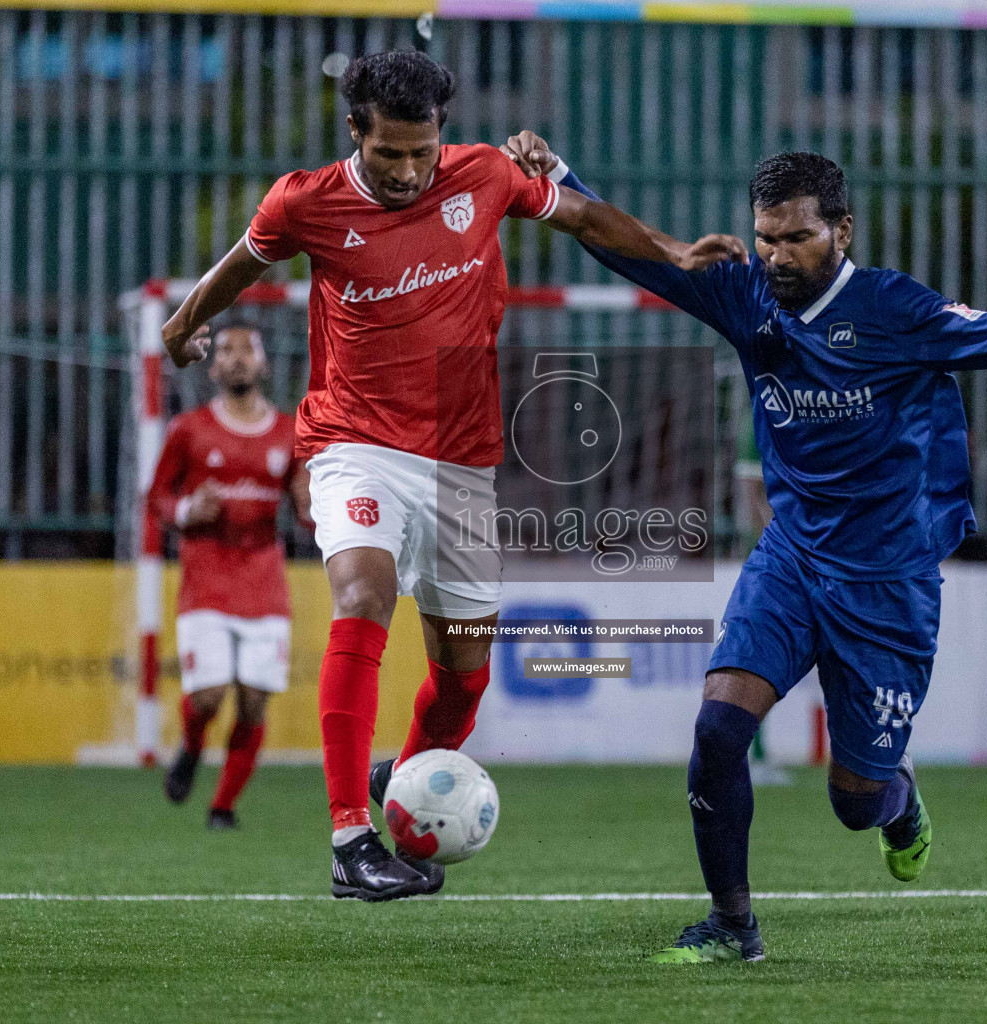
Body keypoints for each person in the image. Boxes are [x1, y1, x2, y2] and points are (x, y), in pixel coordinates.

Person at [502, 133, 987, 962]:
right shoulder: (747, 296)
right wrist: (560, 182)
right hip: (792, 558)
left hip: (888, 581)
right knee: (718, 729)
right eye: (767, 236)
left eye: (797, 237)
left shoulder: (896, 310)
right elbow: (634, 251)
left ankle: (898, 803)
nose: (777, 255)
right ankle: (733, 926)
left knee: (854, 802)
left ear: (842, 232)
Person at [159, 51, 745, 902]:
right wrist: (182, 326)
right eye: (387, 153)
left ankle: (404, 778)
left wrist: (675, 250)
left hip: (463, 463)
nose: (405, 172)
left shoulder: (486, 174)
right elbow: (242, 264)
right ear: (354, 130)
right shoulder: (306, 202)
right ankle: (349, 841)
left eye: (419, 153)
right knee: (362, 594)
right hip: (351, 441)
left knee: (466, 672)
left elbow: (581, 217)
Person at [149, 325, 309, 830]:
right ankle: (192, 749)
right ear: (212, 367)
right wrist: (187, 508)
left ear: (264, 365)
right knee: (208, 695)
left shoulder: (290, 433)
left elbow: (304, 509)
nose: (237, 358)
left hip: (263, 577)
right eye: (225, 350)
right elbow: (156, 498)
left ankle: (222, 806)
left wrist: (314, 506)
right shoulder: (189, 430)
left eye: (248, 349)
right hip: (207, 576)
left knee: (255, 700)